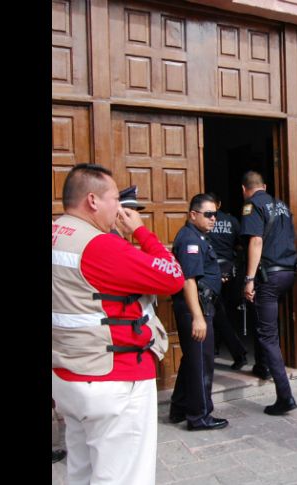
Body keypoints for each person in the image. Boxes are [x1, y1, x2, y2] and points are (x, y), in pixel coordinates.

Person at [52, 164, 185, 484]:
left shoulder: (57, 233)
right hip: (114, 378)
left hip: (68, 374)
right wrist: (141, 232)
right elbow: (173, 277)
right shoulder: (100, 245)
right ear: (93, 200)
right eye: (115, 199)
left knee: (82, 471)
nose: (120, 209)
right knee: (124, 476)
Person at [240, 171, 297, 415]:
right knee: (269, 326)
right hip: (288, 273)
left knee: (268, 336)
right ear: (264, 186)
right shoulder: (281, 205)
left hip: (269, 276)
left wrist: (249, 279)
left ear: (244, 189)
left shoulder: (251, 206)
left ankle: (285, 396)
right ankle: (262, 366)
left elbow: (256, 241)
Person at [169, 193, 229, 431]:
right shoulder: (190, 240)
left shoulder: (197, 236)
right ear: (193, 215)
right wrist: (198, 317)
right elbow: (188, 280)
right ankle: (199, 416)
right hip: (197, 309)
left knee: (192, 361)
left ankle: (179, 408)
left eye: (215, 214)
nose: (213, 218)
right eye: (208, 214)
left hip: (201, 305)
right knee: (202, 363)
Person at [206, 192, 249, 370]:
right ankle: (219, 349)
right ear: (220, 204)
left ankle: (237, 353)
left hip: (211, 273)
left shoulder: (204, 220)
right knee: (221, 313)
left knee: (217, 314)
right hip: (229, 271)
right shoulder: (231, 221)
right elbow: (243, 245)